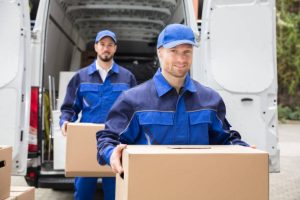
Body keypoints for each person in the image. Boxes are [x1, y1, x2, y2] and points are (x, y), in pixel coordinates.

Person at [96, 24, 249, 176]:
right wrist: (111, 154)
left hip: (198, 185)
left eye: (187, 52)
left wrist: (243, 150)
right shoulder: (132, 100)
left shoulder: (210, 99)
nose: (181, 59)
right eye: (173, 51)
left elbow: (226, 139)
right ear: (159, 52)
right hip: (149, 186)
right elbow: (108, 139)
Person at [60, 30, 137, 200]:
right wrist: (65, 121)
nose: (106, 48)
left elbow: (134, 111)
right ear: (95, 47)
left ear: (115, 48)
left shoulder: (127, 78)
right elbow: (70, 108)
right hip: (88, 143)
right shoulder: (80, 77)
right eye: (102, 44)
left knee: (115, 193)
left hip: (115, 145)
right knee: (83, 193)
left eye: (110, 45)